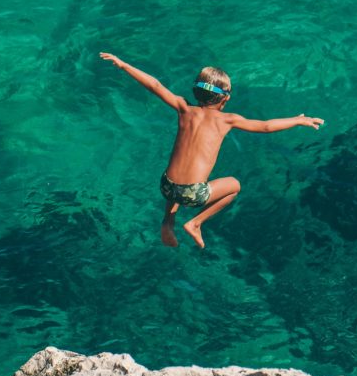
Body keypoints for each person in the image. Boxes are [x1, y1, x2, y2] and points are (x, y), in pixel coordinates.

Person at [99, 52, 324, 248]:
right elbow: (265, 126)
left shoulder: (183, 108)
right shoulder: (227, 120)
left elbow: (155, 85)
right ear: (225, 98)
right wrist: (296, 120)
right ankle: (195, 223)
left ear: (197, 91)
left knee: (179, 181)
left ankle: (168, 222)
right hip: (193, 194)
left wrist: (124, 64)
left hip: (166, 186)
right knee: (235, 185)